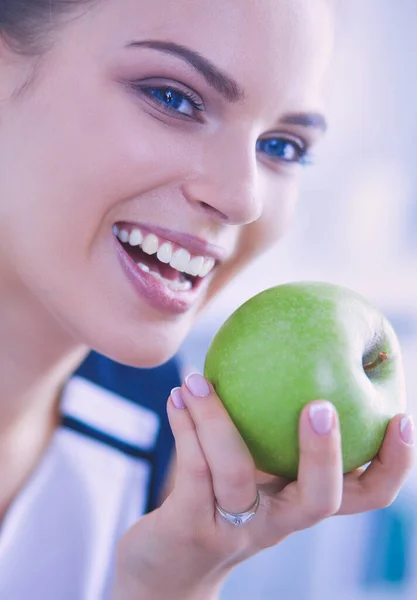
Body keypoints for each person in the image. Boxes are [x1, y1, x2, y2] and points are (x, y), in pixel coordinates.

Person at [0, 1, 414, 599]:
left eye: (282, 146)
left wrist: (174, 581)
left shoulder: (158, 424)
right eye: (172, 97)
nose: (244, 198)